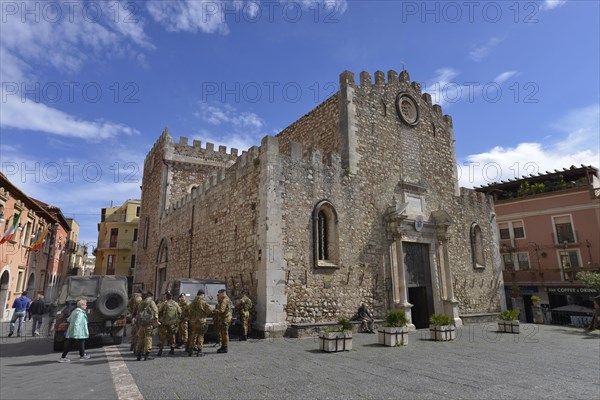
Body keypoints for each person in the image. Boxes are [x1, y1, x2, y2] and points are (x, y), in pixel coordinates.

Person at [58, 298, 90, 362]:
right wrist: (76, 331)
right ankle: (63, 357)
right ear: (82, 306)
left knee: (77, 342)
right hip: (79, 331)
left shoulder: (75, 311)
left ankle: (82, 355)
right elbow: (77, 323)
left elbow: (69, 319)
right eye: (85, 305)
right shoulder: (80, 313)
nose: (86, 306)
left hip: (74, 330)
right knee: (77, 343)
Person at [187, 289, 212, 357]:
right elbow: (210, 310)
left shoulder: (192, 302)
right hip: (201, 321)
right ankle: (199, 350)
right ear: (202, 294)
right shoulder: (203, 302)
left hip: (193, 321)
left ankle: (191, 350)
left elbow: (189, 310)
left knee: (193, 336)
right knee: (200, 336)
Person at [135, 291, 159, 361]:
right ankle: (147, 355)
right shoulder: (151, 302)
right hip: (149, 323)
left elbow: (138, 313)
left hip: (142, 324)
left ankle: (138, 355)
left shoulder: (141, 303)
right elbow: (155, 311)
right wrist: (156, 322)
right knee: (148, 338)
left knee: (140, 338)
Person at [157, 291, 181, 356]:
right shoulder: (175, 304)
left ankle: (160, 350)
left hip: (164, 323)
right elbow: (180, 312)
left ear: (166, 297)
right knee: (172, 336)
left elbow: (159, 311)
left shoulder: (164, 303)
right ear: (172, 297)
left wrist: (159, 319)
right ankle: (172, 349)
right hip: (172, 323)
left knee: (162, 336)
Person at [214, 289, 232, 353]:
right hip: (227, 317)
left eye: (219, 294)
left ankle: (225, 347)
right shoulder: (227, 299)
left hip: (225, 318)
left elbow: (221, 310)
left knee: (224, 333)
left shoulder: (224, 300)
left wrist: (214, 310)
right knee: (224, 332)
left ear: (222, 293)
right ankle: (224, 346)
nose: (219, 295)